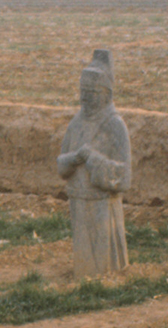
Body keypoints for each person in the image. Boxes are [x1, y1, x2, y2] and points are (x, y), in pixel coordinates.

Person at [57, 50, 132, 278]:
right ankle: (85, 277)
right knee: (84, 260)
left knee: (103, 263)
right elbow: (61, 165)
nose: (85, 99)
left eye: (92, 93)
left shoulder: (115, 125)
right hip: (79, 202)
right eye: (83, 92)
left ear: (106, 94)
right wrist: (73, 159)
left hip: (102, 205)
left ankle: (106, 280)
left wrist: (95, 161)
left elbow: (125, 177)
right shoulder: (76, 123)